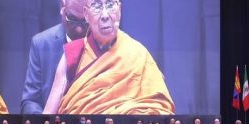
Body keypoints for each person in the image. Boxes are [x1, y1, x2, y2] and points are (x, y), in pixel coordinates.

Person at [43, 0, 175, 114]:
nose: (105, 15)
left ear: (120, 10)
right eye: (97, 6)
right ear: (86, 14)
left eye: (110, 4)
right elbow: (48, 115)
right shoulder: (73, 54)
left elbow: (160, 108)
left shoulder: (138, 53)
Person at [21, 0, 89, 114]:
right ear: (62, 7)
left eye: (85, 22)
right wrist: (45, 123)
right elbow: (30, 101)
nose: (79, 29)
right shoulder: (41, 43)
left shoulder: (104, 43)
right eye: (72, 19)